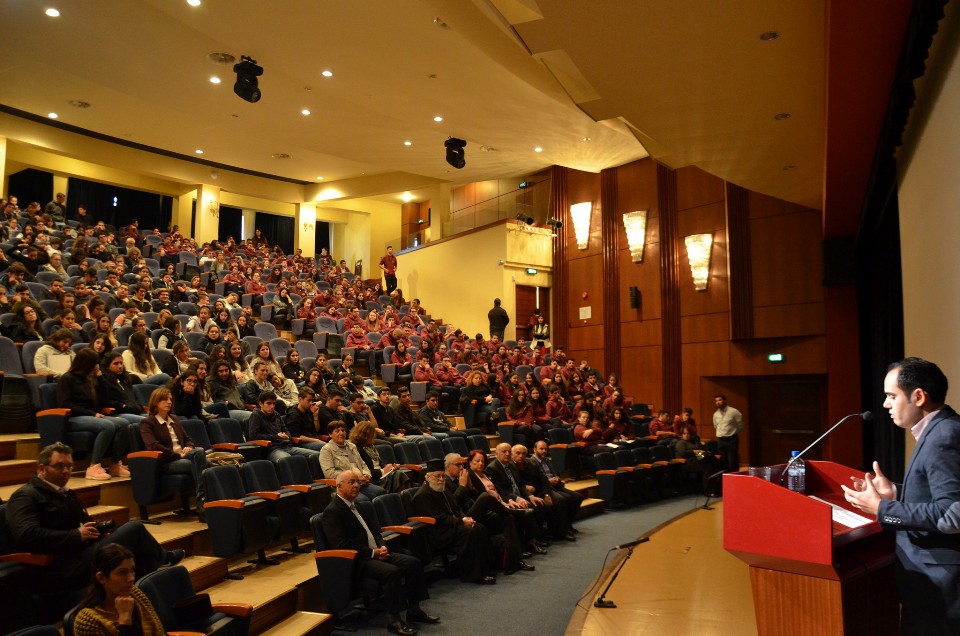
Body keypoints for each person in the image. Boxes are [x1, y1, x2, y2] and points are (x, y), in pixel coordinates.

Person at [842, 358, 960, 634]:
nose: (886, 404)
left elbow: (952, 513)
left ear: (918, 397)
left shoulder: (943, 436)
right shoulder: (940, 430)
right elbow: (936, 496)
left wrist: (882, 509)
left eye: (892, 396)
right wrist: (895, 493)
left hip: (941, 590)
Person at [5, 443, 183, 596]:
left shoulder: (63, 492)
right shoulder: (25, 496)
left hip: (81, 553)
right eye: (59, 466)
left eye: (69, 466)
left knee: (132, 546)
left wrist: (94, 530)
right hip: (60, 565)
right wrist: (76, 535)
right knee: (134, 529)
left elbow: (79, 524)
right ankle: (162, 561)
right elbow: (26, 535)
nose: (66, 471)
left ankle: (145, 592)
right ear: (41, 469)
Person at [320, 470, 438, 636]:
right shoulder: (333, 511)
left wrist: (382, 546)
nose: (356, 485)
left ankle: (414, 610)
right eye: (351, 482)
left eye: (357, 482)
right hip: (356, 561)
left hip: (374, 552)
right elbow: (341, 544)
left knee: (413, 563)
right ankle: (394, 620)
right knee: (391, 572)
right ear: (339, 486)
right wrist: (372, 553)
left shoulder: (358, 505)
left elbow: (375, 531)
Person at [412, 459, 497, 585]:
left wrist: (466, 518)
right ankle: (472, 574)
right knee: (469, 532)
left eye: (443, 476)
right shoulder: (422, 495)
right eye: (437, 476)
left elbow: (456, 509)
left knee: (479, 527)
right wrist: (462, 521)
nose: (441, 479)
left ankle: (486, 568)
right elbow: (440, 519)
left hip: (451, 525)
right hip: (438, 532)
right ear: (428, 477)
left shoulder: (442, 489)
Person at [58, 349, 131, 480]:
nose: (96, 366)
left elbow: (104, 401)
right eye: (94, 364)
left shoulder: (91, 378)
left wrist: (101, 379)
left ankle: (115, 464)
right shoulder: (67, 378)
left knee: (124, 424)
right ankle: (93, 467)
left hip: (91, 415)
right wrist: (92, 413)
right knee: (107, 426)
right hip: (74, 417)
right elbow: (65, 404)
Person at [139, 387, 209, 516]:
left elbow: (187, 439)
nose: (169, 402)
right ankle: (203, 500)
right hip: (167, 461)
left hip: (183, 455)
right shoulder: (147, 423)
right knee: (203, 462)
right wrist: (177, 455)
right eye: (165, 399)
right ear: (155, 402)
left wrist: (189, 447)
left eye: (170, 399)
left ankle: (204, 500)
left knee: (200, 453)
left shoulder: (175, 419)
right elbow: (153, 446)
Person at [73, 543, 166, 636]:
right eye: (122, 573)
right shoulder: (88, 621)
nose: (131, 578)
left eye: (132, 570)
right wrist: (125, 618)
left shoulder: (136, 593)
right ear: (101, 577)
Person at [320, 420, 387, 500]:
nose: (341, 433)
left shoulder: (352, 446)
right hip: (345, 486)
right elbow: (329, 473)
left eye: (343, 430)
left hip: (362, 483)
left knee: (381, 492)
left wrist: (367, 475)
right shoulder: (326, 450)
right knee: (362, 500)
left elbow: (363, 465)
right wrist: (355, 478)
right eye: (337, 431)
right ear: (330, 434)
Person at [247, 390, 319, 463]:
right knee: (288, 459)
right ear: (261, 404)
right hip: (272, 449)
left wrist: (286, 435)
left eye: (274, 403)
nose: (272, 406)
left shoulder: (276, 414)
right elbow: (253, 436)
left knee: (316, 455)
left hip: (287, 446)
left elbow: (286, 430)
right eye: (269, 403)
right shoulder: (256, 415)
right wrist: (276, 436)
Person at [712, 394, 743, 473]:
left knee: (732, 461)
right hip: (721, 440)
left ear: (725, 401)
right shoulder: (715, 414)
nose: (718, 402)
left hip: (731, 439)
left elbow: (740, 425)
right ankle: (726, 477)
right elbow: (715, 426)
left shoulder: (733, 411)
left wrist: (732, 432)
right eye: (716, 401)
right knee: (724, 462)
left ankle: (735, 477)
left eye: (720, 400)